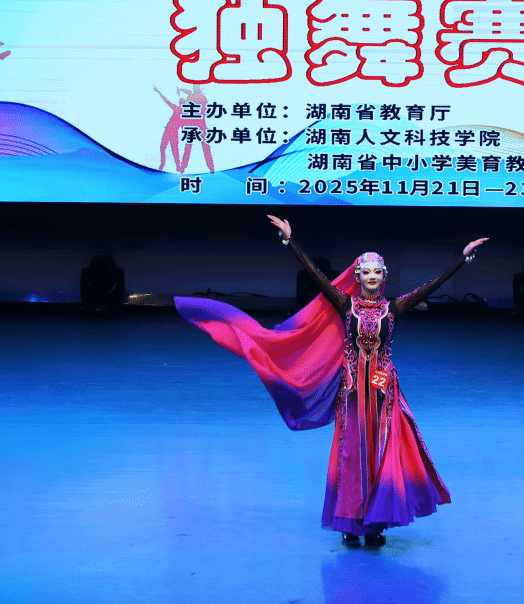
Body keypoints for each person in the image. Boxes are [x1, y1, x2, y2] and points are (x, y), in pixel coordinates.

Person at [174, 216, 488, 548]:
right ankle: (350, 521)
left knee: (379, 457)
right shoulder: (345, 305)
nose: (371, 277)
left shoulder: (393, 308)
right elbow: (315, 275)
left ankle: (376, 524)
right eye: (365, 272)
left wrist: (463, 260)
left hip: (382, 395)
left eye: (376, 272)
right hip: (351, 393)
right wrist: (289, 241)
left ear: (384, 276)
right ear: (357, 276)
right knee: (351, 457)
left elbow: (432, 286)